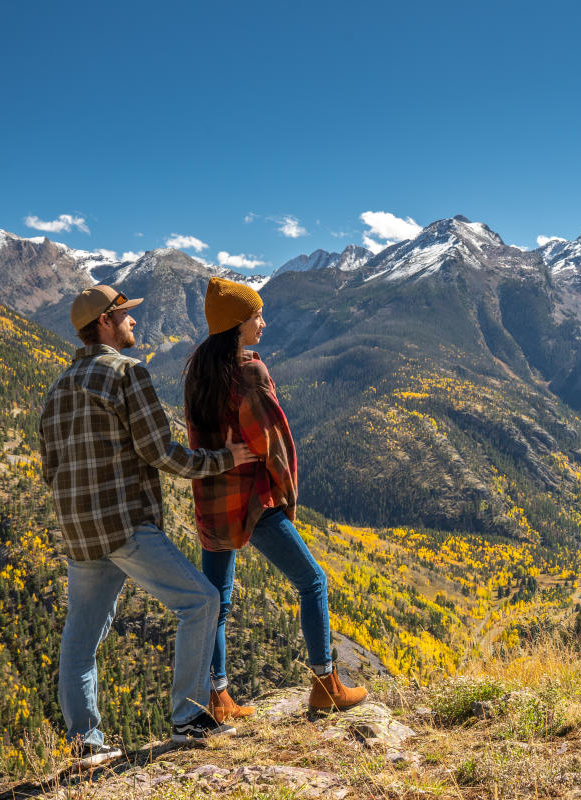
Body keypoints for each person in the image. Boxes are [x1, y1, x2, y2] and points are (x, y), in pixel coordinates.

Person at [39, 285, 257, 766]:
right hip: (123, 522)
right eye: (124, 315)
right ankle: (189, 718)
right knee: (201, 600)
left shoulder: (58, 387)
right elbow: (161, 452)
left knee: (80, 639)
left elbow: (49, 467)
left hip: (78, 532)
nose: (133, 321)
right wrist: (224, 459)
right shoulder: (125, 372)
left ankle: (84, 745)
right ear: (103, 323)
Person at [184, 276, 367, 722]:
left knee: (216, 602)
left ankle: (218, 697)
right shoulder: (249, 372)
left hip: (212, 503)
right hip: (252, 502)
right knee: (313, 581)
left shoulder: (198, 373)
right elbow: (276, 444)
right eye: (255, 316)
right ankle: (325, 685)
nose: (262, 323)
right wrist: (285, 499)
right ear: (237, 325)